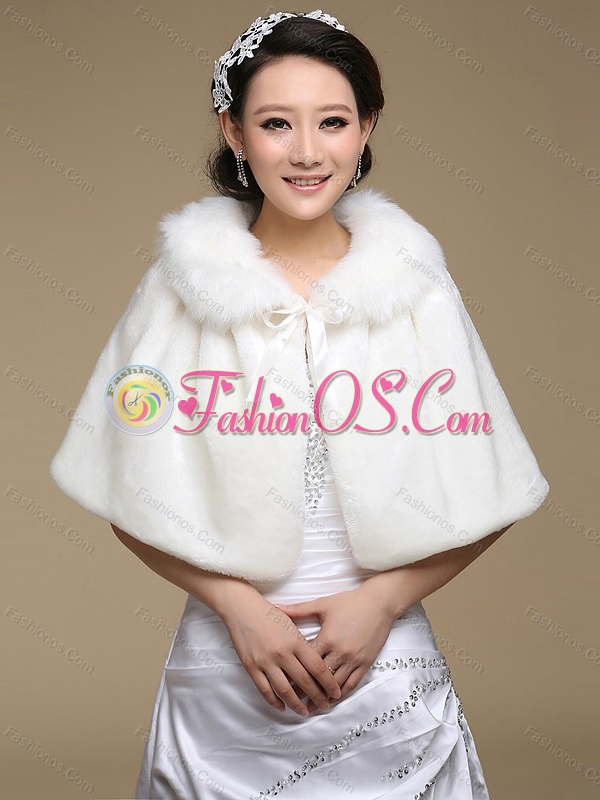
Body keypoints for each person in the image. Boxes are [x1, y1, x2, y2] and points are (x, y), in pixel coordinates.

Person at [49, 10, 549, 799]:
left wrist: (382, 602)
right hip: (228, 669)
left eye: (334, 122)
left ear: (367, 128)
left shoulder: (414, 286)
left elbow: (496, 485)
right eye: (277, 123)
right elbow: (122, 484)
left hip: (385, 669)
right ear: (235, 132)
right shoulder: (182, 287)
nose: (308, 151)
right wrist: (239, 611)